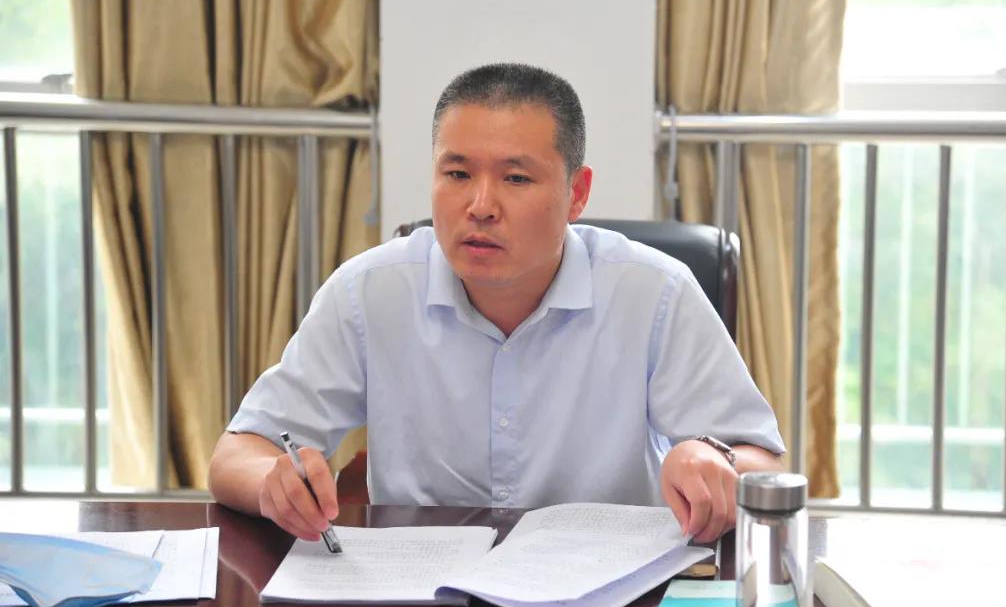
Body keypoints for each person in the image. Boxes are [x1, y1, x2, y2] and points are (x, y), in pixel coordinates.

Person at [208, 62, 785, 545]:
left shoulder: (655, 293)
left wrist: (717, 464)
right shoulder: (369, 292)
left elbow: (761, 462)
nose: (480, 205)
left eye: (515, 179)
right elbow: (237, 455)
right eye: (457, 173)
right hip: (421, 593)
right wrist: (273, 484)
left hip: (605, 597)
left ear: (577, 193)